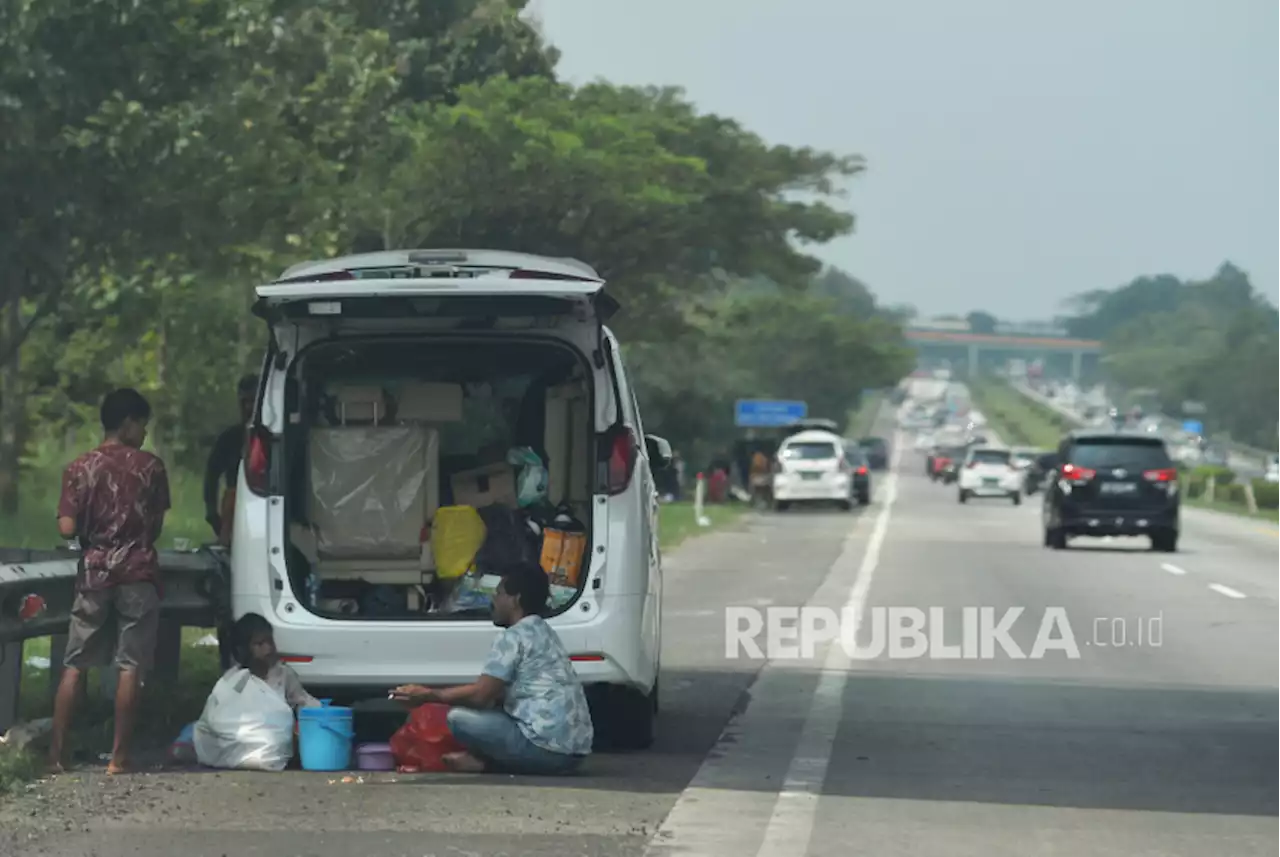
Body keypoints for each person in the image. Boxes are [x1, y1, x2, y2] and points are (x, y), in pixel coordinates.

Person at [49, 388, 170, 774]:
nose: (146, 432)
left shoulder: (79, 468)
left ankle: (58, 755)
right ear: (129, 422)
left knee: (74, 663)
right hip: (137, 573)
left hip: (94, 575)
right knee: (130, 665)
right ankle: (118, 758)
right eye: (143, 424)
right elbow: (157, 526)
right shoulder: (151, 468)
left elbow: (67, 528)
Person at [390, 561, 593, 775]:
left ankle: (486, 764)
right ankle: (483, 762)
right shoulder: (545, 632)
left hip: (545, 751)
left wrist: (427, 695)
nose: (492, 600)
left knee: (458, 719)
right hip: (574, 755)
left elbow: (480, 695)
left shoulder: (513, 636)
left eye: (498, 594)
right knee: (489, 713)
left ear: (515, 600)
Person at [204, 374, 258, 544]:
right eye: (244, 403)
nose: (248, 408)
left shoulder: (276, 438)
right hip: (233, 509)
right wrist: (211, 510)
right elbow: (212, 474)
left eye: (253, 401)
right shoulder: (230, 437)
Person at [229, 613, 320, 710]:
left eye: (270, 641)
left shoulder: (283, 674)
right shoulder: (234, 679)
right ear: (243, 649)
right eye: (260, 644)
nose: (268, 648)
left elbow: (304, 701)